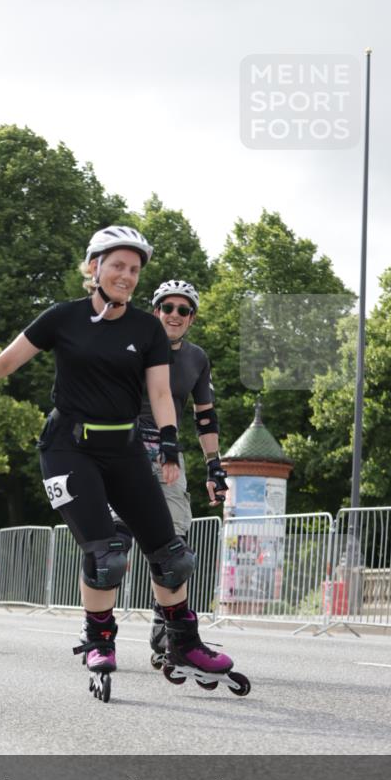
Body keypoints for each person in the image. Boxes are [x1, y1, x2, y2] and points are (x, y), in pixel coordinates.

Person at [0, 225, 235, 702]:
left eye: (134, 269)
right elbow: (5, 362)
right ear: (94, 267)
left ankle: (184, 643)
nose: (126, 275)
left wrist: (169, 445)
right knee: (107, 557)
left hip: (124, 450)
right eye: (117, 265)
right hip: (68, 447)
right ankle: (100, 641)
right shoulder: (63, 318)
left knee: (172, 556)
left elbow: (162, 393)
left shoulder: (147, 328)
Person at [139, 279, 228, 667]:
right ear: (156, 310)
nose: (174, 315)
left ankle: (170, 633)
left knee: (175, 553)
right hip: (121, 449)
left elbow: (205, 417)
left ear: (191, 317)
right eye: (168, 307)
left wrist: (214, 466)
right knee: (110, 551)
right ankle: (97, 632)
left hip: (168, 455)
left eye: (183, 310)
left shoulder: (196, 358)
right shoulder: (134, 344)